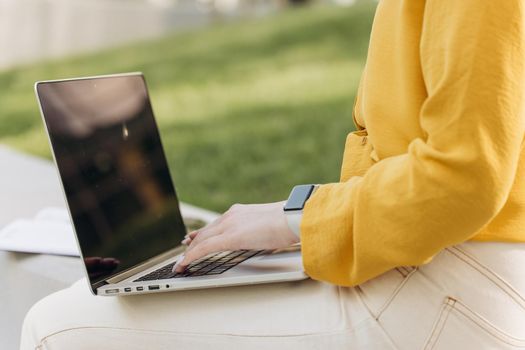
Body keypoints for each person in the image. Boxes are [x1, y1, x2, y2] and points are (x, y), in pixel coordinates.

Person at [21, 0, 525, 349]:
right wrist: (295, 219)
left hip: (452, 289)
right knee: (103, 301)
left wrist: (298, 223)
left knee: (57, 327)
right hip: (431, 261)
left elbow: (464, 178)